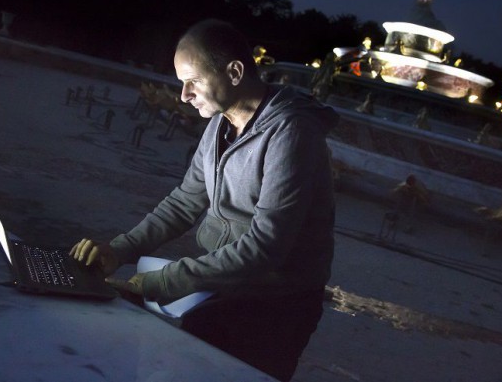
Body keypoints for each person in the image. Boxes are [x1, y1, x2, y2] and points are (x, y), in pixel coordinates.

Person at [70, 19, 339, 381]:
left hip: (277, 303)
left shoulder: (291, 133)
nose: (183, 95)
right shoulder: (220, 123)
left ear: (234, 71)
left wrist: (154, 283)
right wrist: (118, 251)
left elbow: (264, 248)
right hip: (227, 285)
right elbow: (184, 202)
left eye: (193, 81)